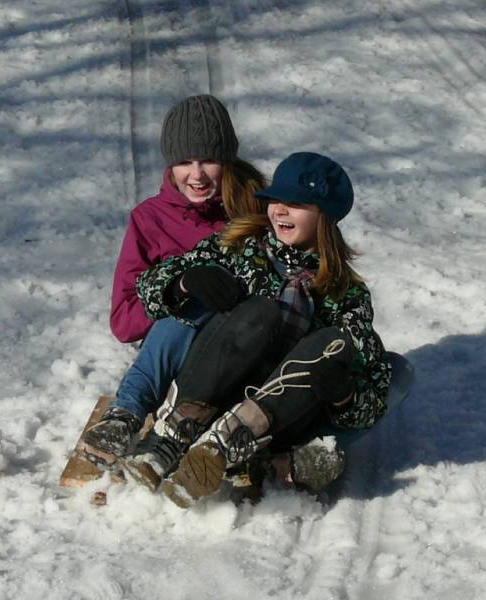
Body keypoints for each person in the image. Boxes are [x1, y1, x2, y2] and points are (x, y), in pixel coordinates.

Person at [121, 151, 393, 507]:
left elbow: (373, 397)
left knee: (334, 346)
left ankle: (222, 450)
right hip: (208, 386)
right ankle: (173, 434)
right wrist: (183, 282)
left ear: (323, 215)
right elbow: (149, 289)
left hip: (266, 421)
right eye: (274, 200)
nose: (279, 211)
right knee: (262, 312)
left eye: (294, 204)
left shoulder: (346, 294)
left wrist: (344, 394)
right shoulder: (240, 248)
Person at [82, 94, 266, 463]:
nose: (196, 175)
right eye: (184, 162)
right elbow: (124, 321)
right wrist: (178, 287)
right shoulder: (149, 220)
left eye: (209, 160)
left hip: (243, 353)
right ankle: (126, 414)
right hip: (173, 360)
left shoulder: (256, 209)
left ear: (228, 159)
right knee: (190, 308)